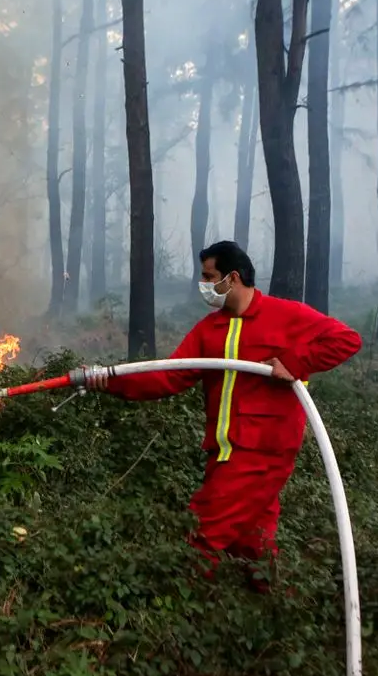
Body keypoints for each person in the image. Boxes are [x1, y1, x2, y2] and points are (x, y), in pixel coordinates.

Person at [92, 240, 362, 592]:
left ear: (232, 278)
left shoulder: (287, 316)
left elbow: (346, 339)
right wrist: (109, 380)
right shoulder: (210, 329)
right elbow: (169, 375)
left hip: (260, 453)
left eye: (209, 277)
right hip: (224, 452)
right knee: (252, 545)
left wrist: (295, 363)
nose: (204, 286)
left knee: (202, 532)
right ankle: (270, 606)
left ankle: (176, 611)